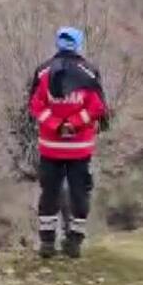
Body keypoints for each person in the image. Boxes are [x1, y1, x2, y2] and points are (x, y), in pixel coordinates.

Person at [27, 27, 110, 259]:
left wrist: (55, 125)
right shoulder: (90, 72)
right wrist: (73, 124)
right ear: (79, 44)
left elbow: (35, 106)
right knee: (79, 193)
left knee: (49, 193)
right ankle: (74, 242)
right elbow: (97, 108)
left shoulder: (43, 72)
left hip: (50, 147)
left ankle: (47, 244)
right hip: (79, 149)